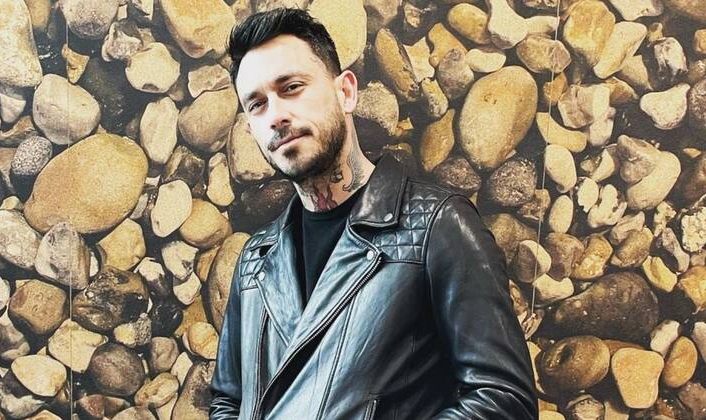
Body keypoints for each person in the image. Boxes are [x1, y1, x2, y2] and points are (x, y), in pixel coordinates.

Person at [209, 7, 538, 419]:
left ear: (346, 92)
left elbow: (504, 400)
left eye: (291, 87)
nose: (276, 116)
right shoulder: (255, 260)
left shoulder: (437, 227)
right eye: (257, 105)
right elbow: (228, 400)